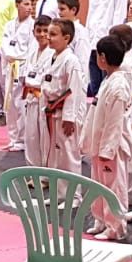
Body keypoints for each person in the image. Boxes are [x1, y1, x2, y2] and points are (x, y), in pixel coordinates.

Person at [86, 36, 132, 240]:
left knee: (114, 186)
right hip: (100, 142)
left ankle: (116, 226)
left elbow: (115, 123)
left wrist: (108, 149)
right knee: (98, 183)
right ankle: (101, 219)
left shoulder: (119, 85)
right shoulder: (109, 80)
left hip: (112, 146)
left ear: (102, 57)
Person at [41, 20, 88, 173]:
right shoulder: (51, 56)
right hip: (52, 112)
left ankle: (73, 197)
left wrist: (69, 118)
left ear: (66, 38)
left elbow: (74, 91)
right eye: (48, 34)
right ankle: (58, 195)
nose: (48, 37)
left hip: (64, 114)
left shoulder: (71, 61)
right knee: (55, 156)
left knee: (68, 156)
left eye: (53, 34)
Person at [85, 0, 128, 96]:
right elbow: (90, 16)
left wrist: (111, 42)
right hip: (92, 45)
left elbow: (119, 20)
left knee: (107, 86)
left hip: (108, 46)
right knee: (95, 86)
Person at [1, 0, 35, 152]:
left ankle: (21, 139)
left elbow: (32, 50)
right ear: (17, 5)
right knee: (9, 104)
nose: (29, 7)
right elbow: (4, 43)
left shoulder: (32, 26)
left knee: (20, 105)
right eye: (26, 4)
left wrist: (26, 70)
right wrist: (9, 56)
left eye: (31, 4)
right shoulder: (9, 25)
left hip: (22, 67)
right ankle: (13, 137)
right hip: (10, 65)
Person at [18, 15, 53, 167]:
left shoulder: (53, 54)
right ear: (33, 32)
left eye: (46, 31)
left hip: (44, 99)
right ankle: (33, 170)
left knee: (44, 138)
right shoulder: (32, 52)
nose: (42, 34)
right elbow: (25, 73)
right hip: (31, 98)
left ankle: (45, 174)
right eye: (39, 30)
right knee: (31, 137)